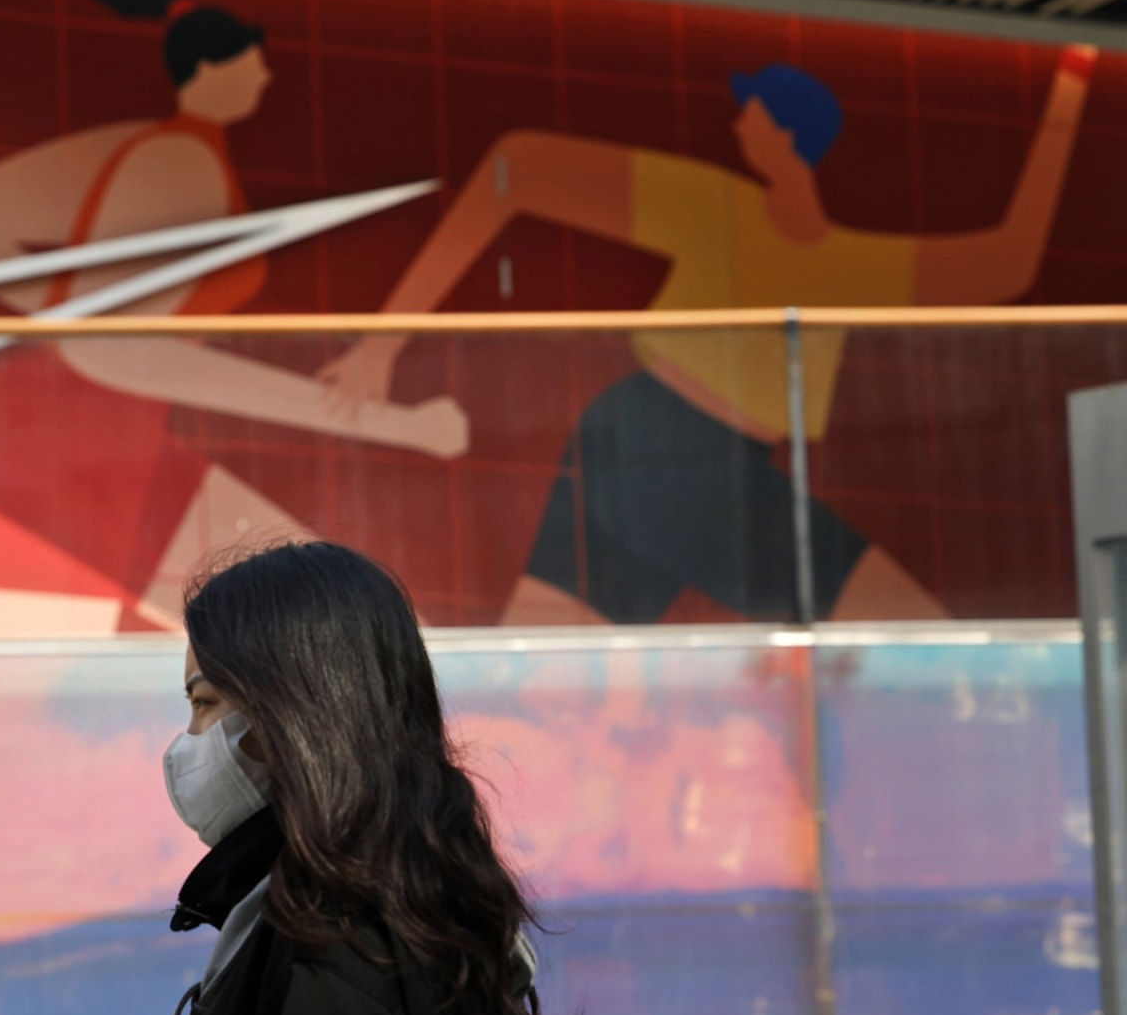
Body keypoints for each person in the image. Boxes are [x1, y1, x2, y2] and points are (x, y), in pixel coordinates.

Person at [324, 48, 1096, 626]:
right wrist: (381, 345)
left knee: (541, 682)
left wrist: (1067, 88)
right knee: (911, 631)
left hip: (673, 456)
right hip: (662, 441)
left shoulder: (853, 261)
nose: (735, 123)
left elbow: (1010, 261)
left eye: (749, 111)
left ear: (785, 136)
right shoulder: (718, 206)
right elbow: (517, 166)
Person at [0, 541, 568, 1015]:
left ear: (292, 712)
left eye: (204, 703)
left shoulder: (339, 950)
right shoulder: (333, 918)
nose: (186, 742)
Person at [0, 0, 465, 638]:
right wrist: (391, 424)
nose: (266, 74)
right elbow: (121, 354)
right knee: (40, 678)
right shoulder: (178, 164)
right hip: (59, 432)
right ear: (207, 69)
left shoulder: (165, 149)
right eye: (252, 59)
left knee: (318, 628)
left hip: (115, 421)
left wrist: (60, 316)